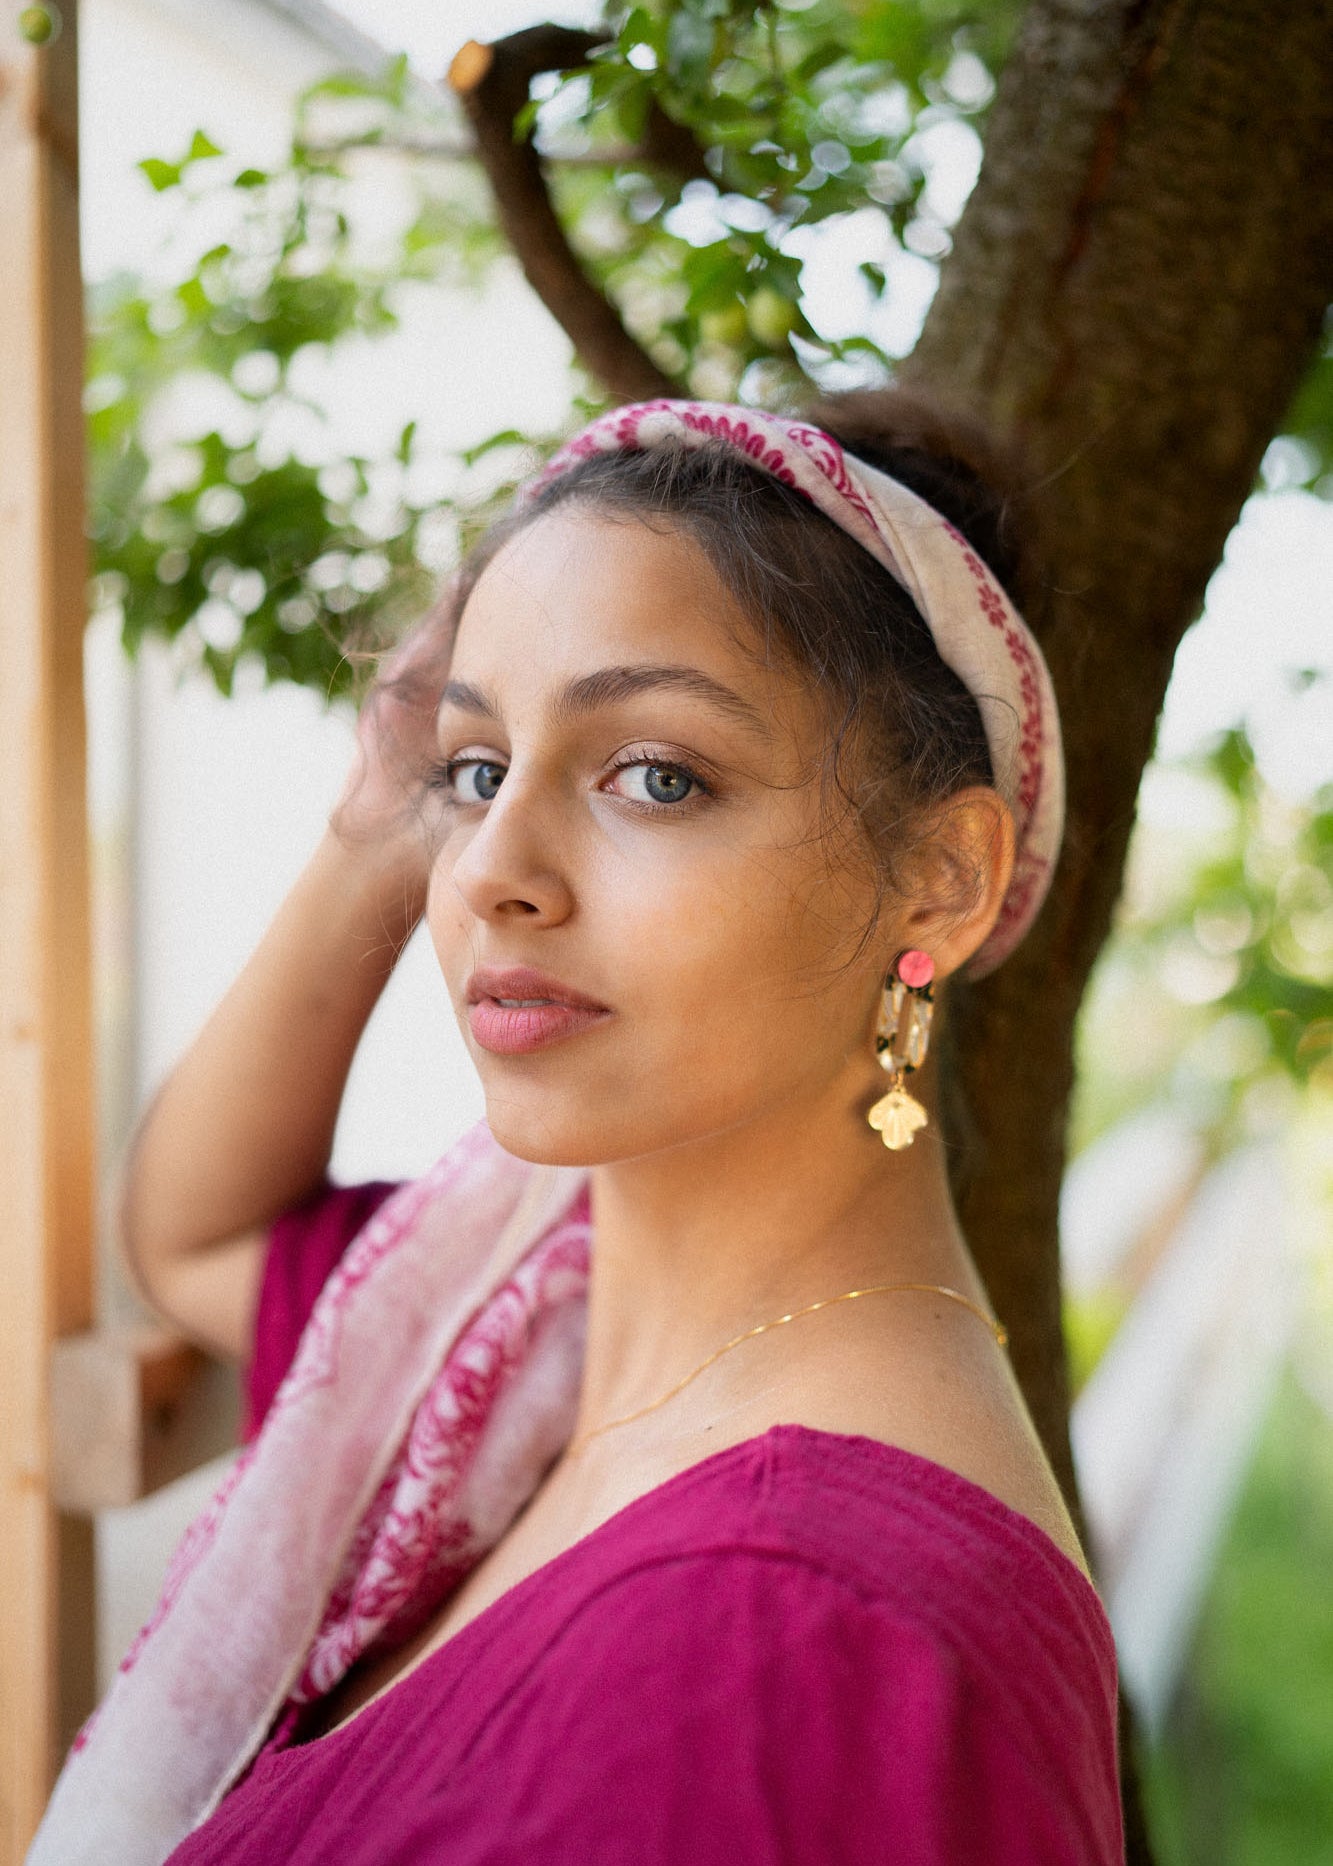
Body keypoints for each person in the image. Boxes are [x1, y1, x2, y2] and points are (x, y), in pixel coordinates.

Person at [29, 395, 1123, 1865]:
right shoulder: (511, 1345)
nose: (489, 869)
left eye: (654, 775)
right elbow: (194, 1234)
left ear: (939, 878)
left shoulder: (808, 1636)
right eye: (472, 774)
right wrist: (379, 814)